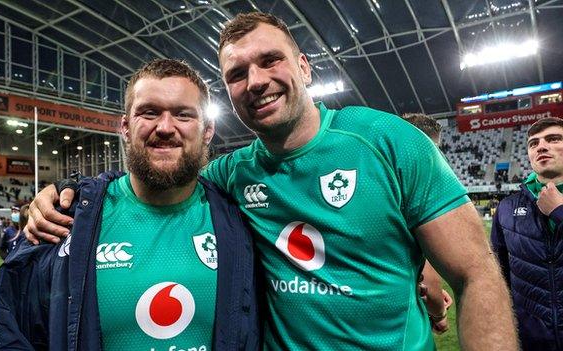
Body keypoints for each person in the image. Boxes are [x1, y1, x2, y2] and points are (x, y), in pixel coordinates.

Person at [27, 12, 518, 349]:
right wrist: (69, 192)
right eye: (237, 73)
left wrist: (428, 274)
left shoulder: (390, 143)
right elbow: (160, 166)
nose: (255, 80)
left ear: (304, 67)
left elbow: (475, 274)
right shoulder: (231, 172)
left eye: (270, 60)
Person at [0, 59, 259, 350]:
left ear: (207, 130)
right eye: (149, 112)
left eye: (183, 114)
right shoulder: (66, 219)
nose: (165, 127)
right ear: (125, 127)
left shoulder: (239, 219)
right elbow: (14, 334)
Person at [491, 117, 563, 350]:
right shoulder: (506, 208)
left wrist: (559, 212)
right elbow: (497, 276)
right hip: (531, 340)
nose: (541, 146)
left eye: (553, 139)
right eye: (534, 143)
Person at [402, 113, 453, 334]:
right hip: (397, 324)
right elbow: (428, 279)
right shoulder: (418, 191)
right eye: (434, 149)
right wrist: (439, 313)